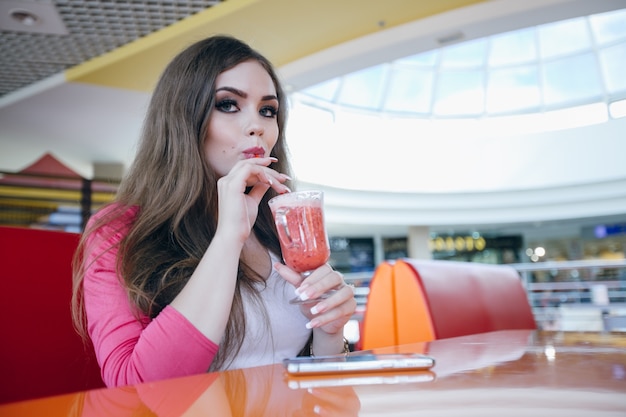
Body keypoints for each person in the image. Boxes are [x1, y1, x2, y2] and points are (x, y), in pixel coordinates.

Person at [71, 35, 356, 387]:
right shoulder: (120, 231)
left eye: (268, 110)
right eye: (228, 104)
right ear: (184, 118)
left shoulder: (278, 224)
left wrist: (329, 333)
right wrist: (227, 239)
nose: (257, 125)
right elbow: (136, 388)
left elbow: (323, 389)